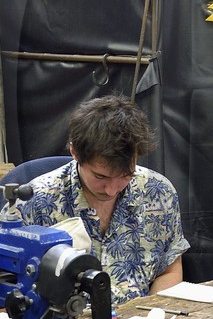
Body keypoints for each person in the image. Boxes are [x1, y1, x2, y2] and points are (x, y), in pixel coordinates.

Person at [15, 95, 188, 304]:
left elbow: (169, 270)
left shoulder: (159, 193)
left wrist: (148, 316)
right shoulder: (33, 202)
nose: (111, 189)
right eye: (100, 176)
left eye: (126, 175)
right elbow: (7, 290)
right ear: (74, 152)